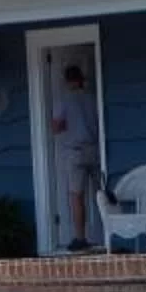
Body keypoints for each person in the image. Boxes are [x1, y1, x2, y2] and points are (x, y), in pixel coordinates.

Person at [52, 63, 101, 251]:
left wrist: (68, 125)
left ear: (67, 81)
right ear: (81, 80)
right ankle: (107, 232)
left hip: (75, 152)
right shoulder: (92, 98)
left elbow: (56, 127)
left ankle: (80, 238)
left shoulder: (64, 100)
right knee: (101, 194)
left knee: (76, 196)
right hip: (95, 149)